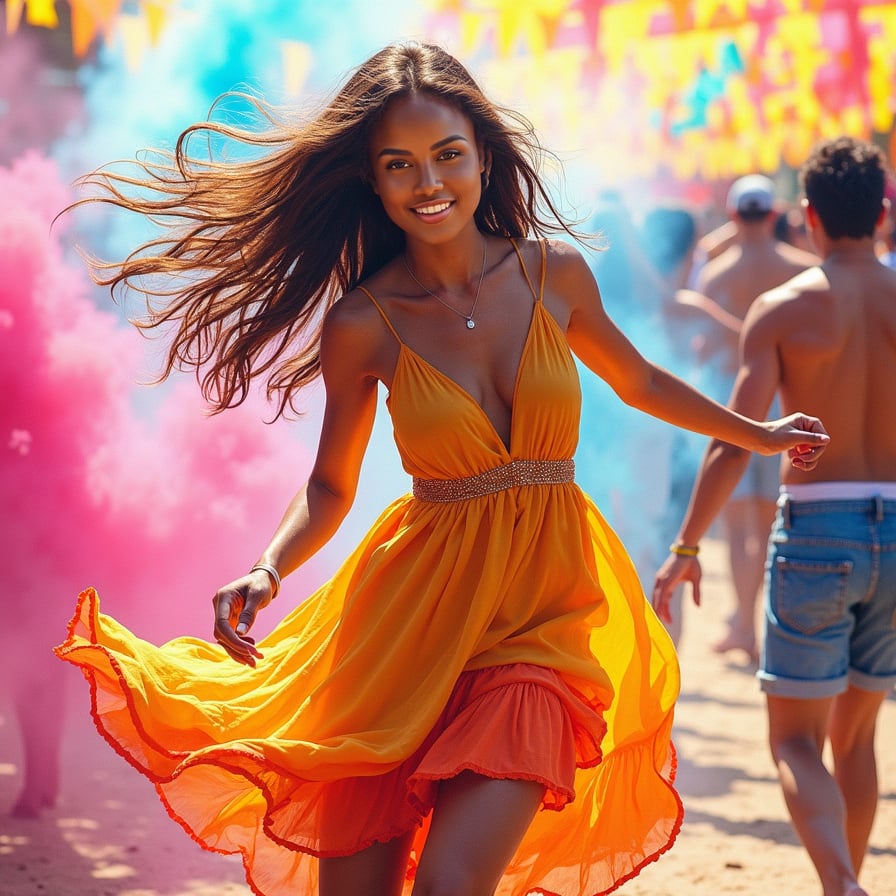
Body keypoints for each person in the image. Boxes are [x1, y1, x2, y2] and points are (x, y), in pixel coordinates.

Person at [54, 42, 829, 896]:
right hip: (405, 631)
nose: (429, 183)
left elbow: (640, 380)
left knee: (453, 883)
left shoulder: (554, 273)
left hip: (539, 625)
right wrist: (269, 565)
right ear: (373, 182)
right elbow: (329, 486)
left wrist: (753, 431)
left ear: (483, 156)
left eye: (448, 155)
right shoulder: (363, 321)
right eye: (400, 165)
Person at [653, 135, 896, 896]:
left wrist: (687, 544)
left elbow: (737, 441)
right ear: (885, 213)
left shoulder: (784, 310)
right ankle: (845, 882)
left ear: (809, 215)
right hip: (895, 525)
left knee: (795, 741)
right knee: (857, 740)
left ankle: (842, 885)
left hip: (818, 526)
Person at [693, 173, 820, 662]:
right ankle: (754, 627)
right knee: (768, 525)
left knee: (738, 523)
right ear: (774, 215)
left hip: (729, 403)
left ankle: (743, 624)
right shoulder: (802, 269)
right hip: (784, 403)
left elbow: (702, 349)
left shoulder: (715, 274)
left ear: (731, 216)